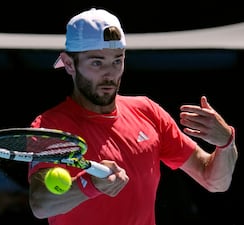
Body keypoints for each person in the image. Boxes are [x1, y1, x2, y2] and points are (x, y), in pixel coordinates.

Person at [28, 8, 238, 225]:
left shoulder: (148, 112)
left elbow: (214, 182)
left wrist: (226, 143)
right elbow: (40, 204)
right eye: (97, 63)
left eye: (117, 61)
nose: (110, 74)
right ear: (70, 64)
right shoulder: (50, 126)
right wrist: (90, 184)